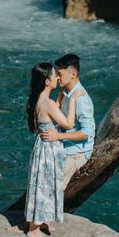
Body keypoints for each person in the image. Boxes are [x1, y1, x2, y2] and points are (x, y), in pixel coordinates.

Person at [24, 62, 84, 237]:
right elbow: (67, 124)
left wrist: (59, 95)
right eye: (54, 75)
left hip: (41, 146)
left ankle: (39, 221)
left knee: (42, 184)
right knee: (44, 185)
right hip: (49, 149)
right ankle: (33, 230)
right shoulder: (48, 103)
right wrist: (72, 100)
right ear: (47, 81)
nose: (58, 77)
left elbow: (50, 113)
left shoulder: (37, 99)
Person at [41, 54, 95, 190]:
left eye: (60, 74)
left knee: (54, 187)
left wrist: (59, 136)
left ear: (72, 74)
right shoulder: (66, 91)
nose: (57, 77)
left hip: (76, 152)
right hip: (65, 145)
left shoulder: (81, 99)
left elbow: (87, 133)